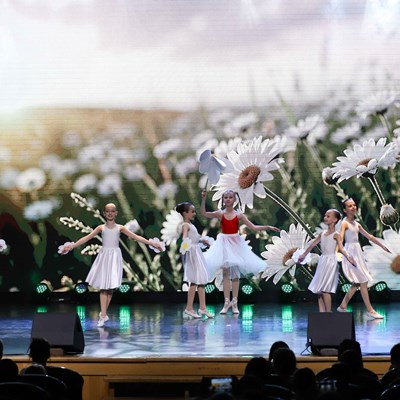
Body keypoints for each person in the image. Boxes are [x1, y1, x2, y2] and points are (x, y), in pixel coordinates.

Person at [61, 202, 164, 327]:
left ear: (116, 213)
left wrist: (152, 243)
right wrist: (72, 246)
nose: (110, 213)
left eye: (112, 211)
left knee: (110, 288)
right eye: (108, 211)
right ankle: (103, 315)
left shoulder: (120, 228)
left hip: (115, 257)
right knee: (103, 287)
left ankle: (104, 314)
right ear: (104, 214)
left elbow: (136, 237)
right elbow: (87, 238)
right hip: (104, 256)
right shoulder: (101, 228)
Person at [201, 189, 280, 315]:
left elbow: (253, 227)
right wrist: (204, 198)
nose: (228, 199)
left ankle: (235, 302)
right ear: (223, 200)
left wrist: (268, 227)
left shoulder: (239, 215)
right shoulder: (220, 214)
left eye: (230, 197)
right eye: (226, 197)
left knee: (235, 275)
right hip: (224, 243)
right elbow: (204, 214)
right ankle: (226, 302)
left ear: (234, 199)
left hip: (235, 243)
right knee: (225, 273)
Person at [336, 198, 390, 319]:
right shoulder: (344, 223)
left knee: (357, 283)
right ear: (344, 210)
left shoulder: (356, 224)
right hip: (350, 254)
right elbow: (340, 240)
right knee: (363, 281)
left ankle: (342, 306)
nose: (353, 207)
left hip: (357, 253)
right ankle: (370, 311)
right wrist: (347, 256)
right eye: (350, 206)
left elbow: (369, 236)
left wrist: (382, 245)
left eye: (354, 205)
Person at [298, 209, 356, 312]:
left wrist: (349, 258)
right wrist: (303, 254)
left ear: (335, 220)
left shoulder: (336, 235)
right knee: (319, 290)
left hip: (331, 262)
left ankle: (328, 313)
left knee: (325, 289)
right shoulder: (322, 233)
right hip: (323, 260)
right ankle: (322, 313)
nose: (325, 217)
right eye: (325, 215)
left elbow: (341, 248)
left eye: (328, 216)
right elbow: (312, 244)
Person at [176, 202, 213, 319]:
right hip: (192, 253)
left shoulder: (191, 225)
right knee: (194, 281)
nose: (194, 214)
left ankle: (202, 307)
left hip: (196, 252)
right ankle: (189, 308)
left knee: (201, 281)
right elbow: (185, 238)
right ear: (185, 213)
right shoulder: (185, 225)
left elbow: (194, 238)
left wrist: (202, 240)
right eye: (192, 211)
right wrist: (186, 245)